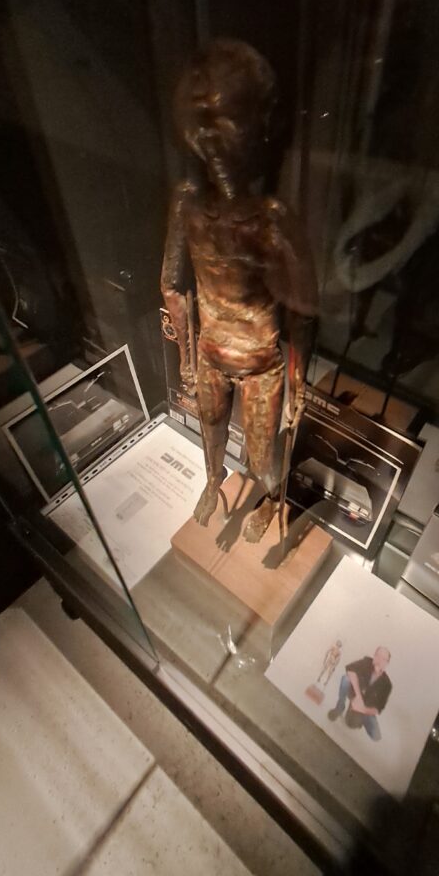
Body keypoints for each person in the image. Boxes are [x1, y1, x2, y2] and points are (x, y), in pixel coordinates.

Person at [161, 39, 317, 540]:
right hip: (210, 354)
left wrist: (297, 381)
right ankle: (212, 482)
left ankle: (272, 498)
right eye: (200, 124)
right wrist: (187, 357)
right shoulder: (188, 204)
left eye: (223, 120)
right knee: (209, 432)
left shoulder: (272, 219)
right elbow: (172, 284)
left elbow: (303, 308)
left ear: (257, 124)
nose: (210, 140)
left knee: (265, 461)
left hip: (261, 364)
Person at [327, 646, 392, 741]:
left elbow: (378, 709)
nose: (379, 660)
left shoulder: (387, 684)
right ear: (374, 656)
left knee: (376, 736)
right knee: (346, 679)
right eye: (377, 655)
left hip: (365, 708)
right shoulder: (367, 662)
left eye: (383, 659)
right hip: (355, 696)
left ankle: (357, 717)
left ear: (387, 663)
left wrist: (362, 709)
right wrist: (358, 696)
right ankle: (339, 707)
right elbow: (350, 671)